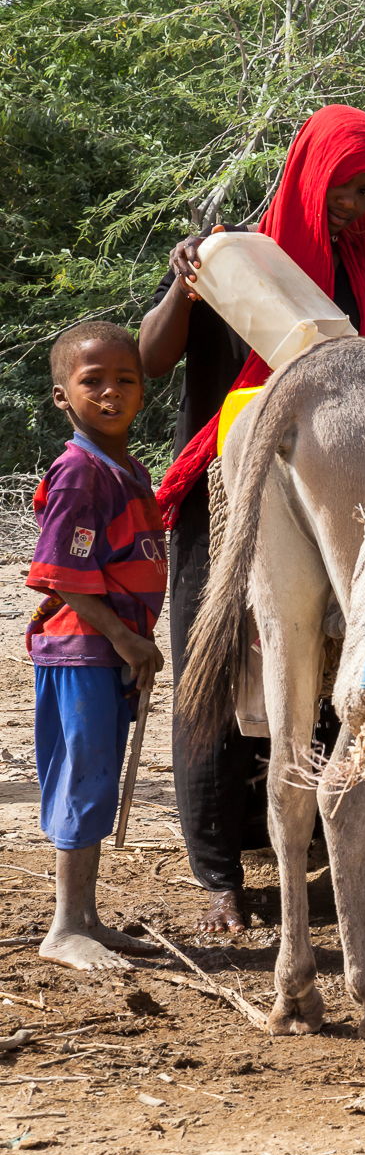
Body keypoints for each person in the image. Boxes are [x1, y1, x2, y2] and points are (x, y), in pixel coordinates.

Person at [140, 104, 365, 933]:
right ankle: (219, 870)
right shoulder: (236, 256)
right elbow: (152, 358)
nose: (355, 207)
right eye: (342, 187)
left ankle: (336, 858)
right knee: (215, 662)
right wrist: (186, 286)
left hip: (328, 487)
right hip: (225, 484)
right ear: (308, 173)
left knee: (340, 669)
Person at [29, 323, 167, 970]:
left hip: (110, 651)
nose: (111, 392)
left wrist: (136, 643)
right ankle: (63, 927)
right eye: (93, 381)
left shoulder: (127, 468)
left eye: (125, 379)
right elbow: (57, 573)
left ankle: (85, 917)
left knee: (99, 777)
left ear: (144, 389)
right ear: (63, 396)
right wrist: (125, 637)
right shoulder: (80, 473)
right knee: (82, 776)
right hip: (81, 648)